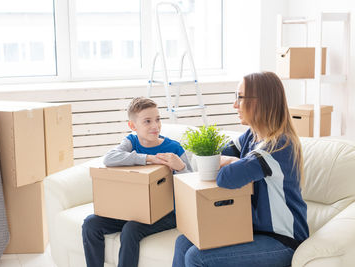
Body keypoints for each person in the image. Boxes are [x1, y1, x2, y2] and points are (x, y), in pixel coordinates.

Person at [172, 71, 309, 267]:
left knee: (197, 257)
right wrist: (231, 161)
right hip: (251, 231)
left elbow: (226, 178)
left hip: (282, 241)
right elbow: (212, 157)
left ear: (261, 101)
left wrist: (229, 164)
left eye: (239, 97)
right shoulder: (250, 137)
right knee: (184, 242)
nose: (234, 105)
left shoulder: (279, 146)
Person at [82, 97, 193, 267]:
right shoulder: (131, 142)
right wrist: (148, 158)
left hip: (167, 213)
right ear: (133, 126)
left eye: (157, 119)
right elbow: (109, 158)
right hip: (133, 210)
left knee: (131, 229)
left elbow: (191, 186)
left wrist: (181, 167)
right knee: (91, 223)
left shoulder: (174, 148)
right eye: (147, 121)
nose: (155, 126)